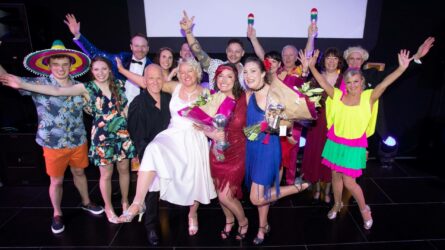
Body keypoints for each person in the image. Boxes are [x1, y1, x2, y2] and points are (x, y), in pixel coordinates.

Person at [2, 55, 135, 224]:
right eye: (96, 69)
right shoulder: (82, 87)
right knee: (86, 177)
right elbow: (56, 91)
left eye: (104, 68)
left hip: (105, 136)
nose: (100, 72)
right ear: (91, 72)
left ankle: (116, 202)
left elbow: (127, 109)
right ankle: (80, 211)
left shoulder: (117, 85)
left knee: (113, 171)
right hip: (83, 139)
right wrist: (21, 84)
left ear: (110, 70)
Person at [0, 40, 104, 234]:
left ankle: (86, 202)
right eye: (56, 64)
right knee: (56, 181)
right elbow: (6, 78)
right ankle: (57, 213)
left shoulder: (80, 85)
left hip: (77, 139)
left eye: (65, 64)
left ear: (71, 65)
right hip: (52, 143)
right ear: (48, 65)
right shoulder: (37, 83)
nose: (61, 68)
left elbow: (93, 108)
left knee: (80, 173)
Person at [307, 48, 412, 230]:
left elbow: (385, 83)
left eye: (356, 81)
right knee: (335, 177)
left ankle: (364, 210)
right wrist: (312, 67)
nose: (353, 85)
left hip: (354, 146)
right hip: (335, 143)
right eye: (349, 82)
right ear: (345, 84)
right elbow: (323, 83)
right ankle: (337, 204)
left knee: (350, 182)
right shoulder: (338, 96)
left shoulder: (368, 97)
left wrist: (401, 69)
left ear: (362, 82)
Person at [116, 58, 217, 236]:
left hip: (195, 138)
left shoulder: (207, 93)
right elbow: (147, 81)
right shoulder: (174, 87)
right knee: (153, 149)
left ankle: (192, 214)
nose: (185, 76)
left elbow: (216, 120)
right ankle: (137, 202)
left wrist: (207, 128)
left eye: (189, 72)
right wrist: (122, 71)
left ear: (197, 73)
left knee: (195, 180)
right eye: (182, 72)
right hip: (172, 135)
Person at [243, 56, 310, 245]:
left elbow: (286, 127)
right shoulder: (249, 94)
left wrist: (273, 127)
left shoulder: (274, 95)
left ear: (263, 73)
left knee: (256, 197)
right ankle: (262, 229)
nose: (248, 75)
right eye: (245, 72)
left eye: (253, 71)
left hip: (268, 149)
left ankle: (297, 188)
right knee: (260, 191)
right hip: (252, 148)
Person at [247, 24, 317, 185]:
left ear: (297, 56)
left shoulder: (300, 72)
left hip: (292, 124)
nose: (288, 57)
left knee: (290, 157)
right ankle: (272, 186)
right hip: (274, 123)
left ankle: (287, 186)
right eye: (285, 55)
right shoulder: (275, 73)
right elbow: (263, 57)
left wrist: (311, 37)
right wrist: (253, 38)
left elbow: (307, 55)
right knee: (276, 156)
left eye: (292, 55)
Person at [342, 37, 434, 140]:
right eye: (351, 58)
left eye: (358, 59)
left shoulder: (372, 75)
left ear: (363, 61)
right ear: (346, 60)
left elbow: (395, 72)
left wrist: (416, 57)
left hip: (369, 127)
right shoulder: (339, 78)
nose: (355, 62)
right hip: (344, 125)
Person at [196, 63, 248, 240]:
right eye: (220, 76)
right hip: (217, 152)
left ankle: (243, 221)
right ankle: (228, 220)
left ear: (235, 80)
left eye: (229, 76)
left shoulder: (245, 99)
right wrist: (209, 131)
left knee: (226, 195)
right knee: (220, 192)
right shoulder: (211, 98)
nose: (224, 80)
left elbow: (253, 125)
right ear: (215, 79)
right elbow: (200, 124)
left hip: (238, 151)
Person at [127, 64, 172, 245]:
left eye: (158, 78)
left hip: (170, 152)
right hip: (151, 154)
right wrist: (149, 160)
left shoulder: (168, 98)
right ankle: (151, 226)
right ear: (144, 81)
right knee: (152, 192)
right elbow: (138, 138)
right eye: (151, 78)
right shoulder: (138, 104)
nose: (155, 82)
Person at [64, 13, 152, 105]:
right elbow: (95, 53)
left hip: (141, 112)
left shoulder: (152, 67)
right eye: (136, 46)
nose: (140, 50)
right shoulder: (121, 59)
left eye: (143, 46)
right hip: (119, 109)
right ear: (131, 47)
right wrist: (77, 35)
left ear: (148, 48)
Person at [301, 47, 344, 204]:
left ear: (339, 61)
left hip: (336, 123)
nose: (331, 61)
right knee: (316, 154)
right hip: (318, 122)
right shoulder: (314, 78)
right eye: (328, 58)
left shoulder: (344, 79)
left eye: (335, 58)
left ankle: (328, 190)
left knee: (332, 156)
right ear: (323, 61)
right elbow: (306, 99)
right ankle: (317, 188)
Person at [180, 11, 245, 89]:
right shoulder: (215, 66)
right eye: (230, 51)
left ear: (243, 53)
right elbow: (198, 52)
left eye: (237, 51)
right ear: (226, 51)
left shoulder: (247, 73)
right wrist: (188, 31)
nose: (233, 54)